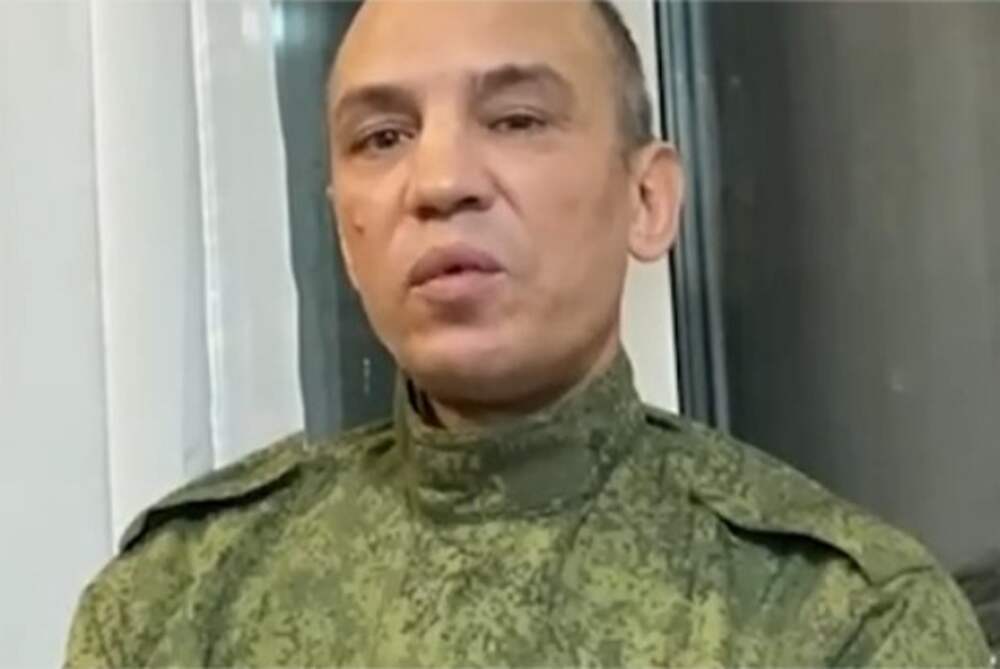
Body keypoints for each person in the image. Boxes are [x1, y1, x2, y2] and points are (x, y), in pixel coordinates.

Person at [64, 0, 991, 666]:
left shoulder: (841, 619)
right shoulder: (179, 600)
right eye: (382, 137)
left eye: (515, 119)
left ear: (647, 198)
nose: (440, 182)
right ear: (343, 228)